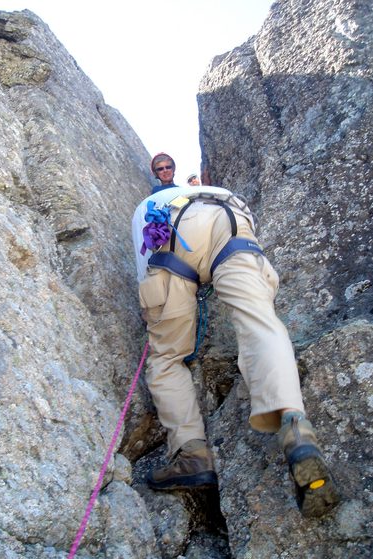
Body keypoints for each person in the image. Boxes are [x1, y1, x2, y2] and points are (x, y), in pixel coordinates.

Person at [132, 181, 340, 518]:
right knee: (259, 323)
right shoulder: (212, 191)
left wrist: (156, 315)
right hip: (233, 222)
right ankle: (295, 426)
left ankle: (192, 453)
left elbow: (146, 269)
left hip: (175, 234)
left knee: (166, 358)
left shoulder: (146, 208)